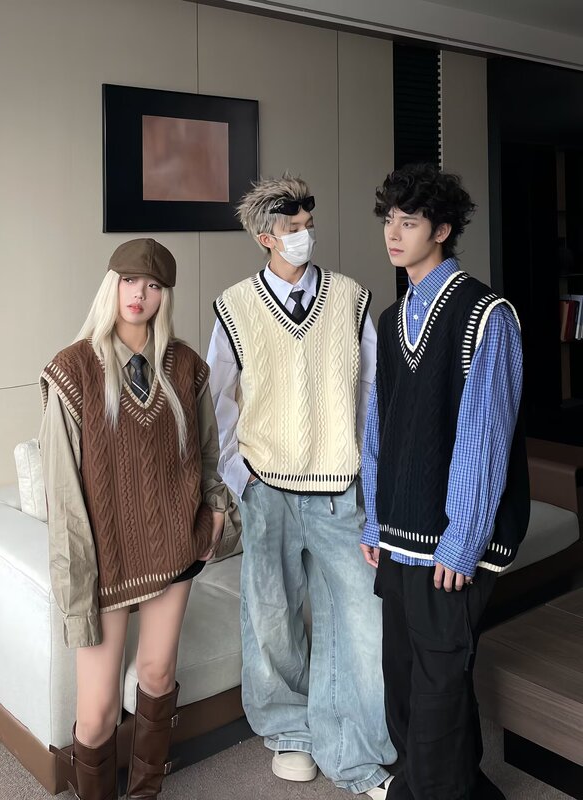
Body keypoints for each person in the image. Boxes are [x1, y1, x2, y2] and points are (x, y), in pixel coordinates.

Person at [207, 175, 396, 798]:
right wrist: (241, 478)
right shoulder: (235, 306)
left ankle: (358, 754)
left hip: (341, 488)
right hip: (268, 490)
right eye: (292, 228)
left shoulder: (350, 298)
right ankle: (291, 732)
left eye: (308, 224)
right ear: (266, 236)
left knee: (362, 621)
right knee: (271, 619)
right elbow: (217, 402)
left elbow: (370, 395)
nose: (305, 235)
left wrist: (371, 475)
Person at [39, 238, 240, 800]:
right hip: (106, 560)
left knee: (156, 675)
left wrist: (216, 513)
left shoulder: (186, 366)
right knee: (97, 712)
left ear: (164, 295)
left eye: (153, 285)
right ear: (113, 285)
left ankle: (146, 790)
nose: (140, 294)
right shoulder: (72, 369)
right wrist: (76, 588)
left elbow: (207, 453)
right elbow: (63, 495)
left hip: (173, 548)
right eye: (130, 281)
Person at [361, 163, 530, 800]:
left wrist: (462, 540)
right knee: (406, 689)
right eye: (389, 220)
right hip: (398, 534)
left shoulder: (485, 314)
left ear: (442, 230)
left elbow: (485, 437)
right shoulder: (389, 320)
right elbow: (378, 426)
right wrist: (374, 519)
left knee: (437, 698)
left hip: (451, 545)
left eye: (409, 222)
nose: (393, 233)